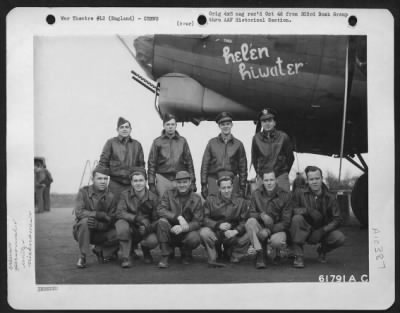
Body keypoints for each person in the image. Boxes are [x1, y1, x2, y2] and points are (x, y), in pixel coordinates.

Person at [290, 165, 345, 268]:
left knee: (339, 238)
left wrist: (322, 231)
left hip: (322, 231)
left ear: (321, 178)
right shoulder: (299, 193)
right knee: (296, 219)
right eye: (311, 179)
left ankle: (322, 250)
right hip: (304, 229)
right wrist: (308, 211)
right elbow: (292, 210)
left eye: (317, 178)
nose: (314, 182)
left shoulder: (331, 197)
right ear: (307, 180)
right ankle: (298, 256)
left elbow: (337, 219)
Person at [200, 171, 250, 267]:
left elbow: (244, 221)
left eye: (229, 187)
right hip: (217, 234)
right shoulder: (210, 200)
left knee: (251, 231)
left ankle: (234, 254)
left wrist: (235, 231)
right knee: (204, 232)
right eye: (223, 188)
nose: (226, 190)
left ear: (232, 187)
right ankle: (215, 255)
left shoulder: (241, 201)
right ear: (219, 188)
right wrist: (218, 225)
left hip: (233, 236)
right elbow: (204, 219)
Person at [72, 166, 118, 268]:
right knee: (85, 221)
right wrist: (98, 214)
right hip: (83, 231)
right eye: (99, 178)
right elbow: (79, 212)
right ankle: (82, 256)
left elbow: (112, 219)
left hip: (101, 232)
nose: (103, 181)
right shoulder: (83, 192)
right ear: (93, 179)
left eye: (105, 179)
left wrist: (100, 225)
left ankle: (100, 249)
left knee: (121, 230)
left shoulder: (111, 196)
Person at [245, 169, 292, 269]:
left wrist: (269, 230)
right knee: (250, 222)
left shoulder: (286, 195)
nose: (269, 183)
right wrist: (261, 215)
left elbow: (286, 222)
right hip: (260, 227)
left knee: (277, 242)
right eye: (266, 180)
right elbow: (251, 213)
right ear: (262, 181)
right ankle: (260, 254)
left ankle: (278, 253)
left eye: (271, 180)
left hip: (277, 229)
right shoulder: (256, 194)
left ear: (276, 180)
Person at [156, 171, 203, 268]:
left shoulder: (197, 198)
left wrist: (183, 228)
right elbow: (160, 210)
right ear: (175, 183)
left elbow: (198, 222)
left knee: (195, 237)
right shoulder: (168, 194)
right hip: (171, 230)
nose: (182, 185)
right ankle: (165, 255)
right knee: (161, 222)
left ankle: (186, 252)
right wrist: (178, 217)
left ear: (190, 182)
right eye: (179, 182)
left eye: (185, 182)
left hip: (186, 231)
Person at [115, 167, 159, 268]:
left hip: (145, 229)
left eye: (141, 180)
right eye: (135, 181)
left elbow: (157, 219)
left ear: (146, 181)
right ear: (131, 182)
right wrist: (136, 218)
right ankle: (127, 256)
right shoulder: (124, 195)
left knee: (153, 240)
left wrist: (148, 228)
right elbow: (119, 213)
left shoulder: (153, 197)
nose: (138, 183)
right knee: (121, 224)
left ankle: (146, 250)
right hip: (131, 227)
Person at [200, 112, 248, 199]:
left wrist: (242, 186)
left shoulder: (238, 144)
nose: (226, 126)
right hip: (214, 179)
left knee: (233, 207)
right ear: (219, 126)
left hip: (232, 180)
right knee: (213, 206)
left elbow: (243, 167)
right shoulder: (212, 143)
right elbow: (205, 165)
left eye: (228, 124)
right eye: (223, 124)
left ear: (231, 125)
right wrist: (203, 184)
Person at [148, 113, 196, 197]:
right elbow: (152, 164)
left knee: (180, 205)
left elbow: (189, 163)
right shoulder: (157, 142)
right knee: (163, 204)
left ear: (176, 125)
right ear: (164, 125)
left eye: (172, 124)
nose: (170, 127)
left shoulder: (182, 141)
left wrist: (193, 182)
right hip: (162, 178)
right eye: (168, 124)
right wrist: (151, 184)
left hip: (179, 179)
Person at [99, 117, 145, 203]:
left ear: (130, 129)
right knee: (113, 209)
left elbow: (141, 165)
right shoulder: (111, 143)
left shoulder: (137, 145)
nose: (124, 129)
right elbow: (103, 163)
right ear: (117, 129)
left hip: (132, 184)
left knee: (132, 209)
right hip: (115, 183)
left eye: (127, 127)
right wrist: (101, 181)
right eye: (122, 127)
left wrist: (140, 182)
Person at [251, 108, 294, 192]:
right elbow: (254, 159)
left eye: (270, 121)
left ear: (274, 122)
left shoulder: (283, 137)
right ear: (261, 123)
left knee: (284, 202)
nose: (267, 124)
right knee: (261, 203)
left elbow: (290, 158)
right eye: (264, 121)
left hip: (280, 176)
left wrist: (283, 173)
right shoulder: (256, 138)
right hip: (263, 177)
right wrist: (261, 174)